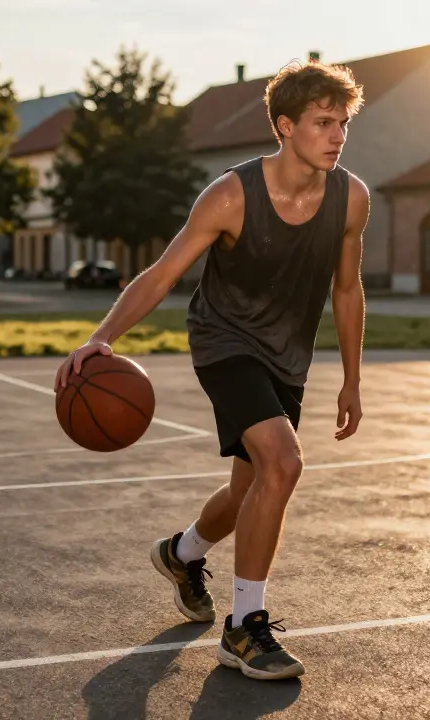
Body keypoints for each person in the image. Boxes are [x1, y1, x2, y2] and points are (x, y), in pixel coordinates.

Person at [54, 58, 369, 681]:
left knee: (249, 489)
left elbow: (347, 288)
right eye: (323, 122)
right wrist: (102, 338)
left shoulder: (351, 197)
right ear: (285, 125)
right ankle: (244, 628)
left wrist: (353, 379)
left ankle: (181, 552)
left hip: (286, 354)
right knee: (284, 463)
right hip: (224, 342)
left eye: (344, 123)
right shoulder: (231, 194)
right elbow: (166, 274)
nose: (336, 135)